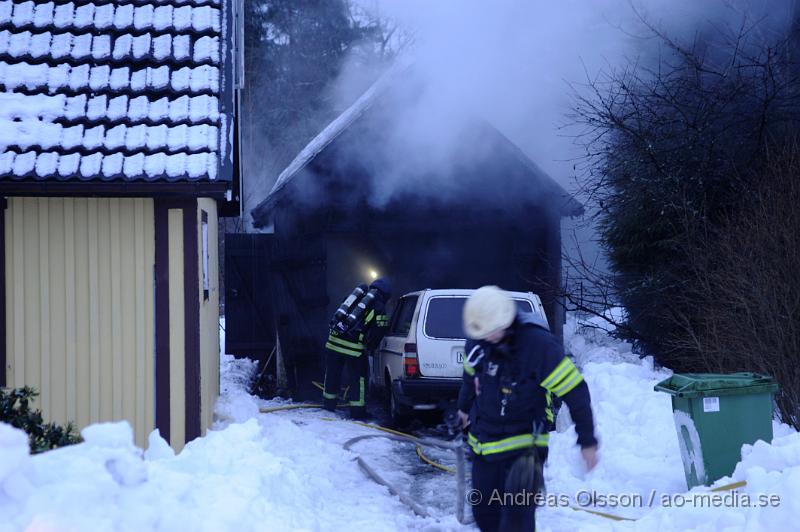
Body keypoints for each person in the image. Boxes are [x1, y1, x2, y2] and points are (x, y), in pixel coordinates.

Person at [457, 286, 598, 531]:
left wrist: (587, 442)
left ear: (505, 320)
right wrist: (463, 409)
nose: (487, 338)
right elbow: (470, 375)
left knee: (515, 520)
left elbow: (576, 393)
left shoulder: (539, 347)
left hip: (524, 446)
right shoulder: (478, 342)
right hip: (484, 442)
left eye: (492, 332)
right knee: (484, 514)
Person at [322, 278, 391, 418]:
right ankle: (357, 412)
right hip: (353, 349)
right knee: (358, 379)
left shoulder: (355, 296)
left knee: (332, 375)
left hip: (333, 342)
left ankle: (328, 405)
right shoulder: (379, 306)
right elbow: (379, 330)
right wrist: (370, 347)